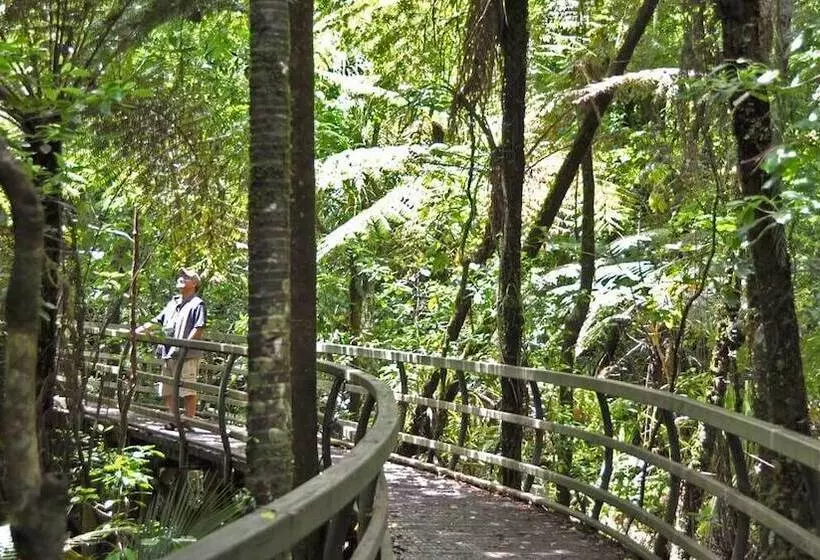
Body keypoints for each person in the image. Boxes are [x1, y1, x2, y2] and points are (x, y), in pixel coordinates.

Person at [135, 267, 207, 424]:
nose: (181, 277)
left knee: (187, 389)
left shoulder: (197, 304)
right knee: (166, 389)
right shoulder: (172, 303)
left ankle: (188, 421)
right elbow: (156, 321)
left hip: (186, 355)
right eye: (180, 275)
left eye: (186, 276)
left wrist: (185, 346)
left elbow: (198, 327)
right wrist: (137, 331)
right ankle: (174, 419)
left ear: (194, 283)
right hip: (168, 353)